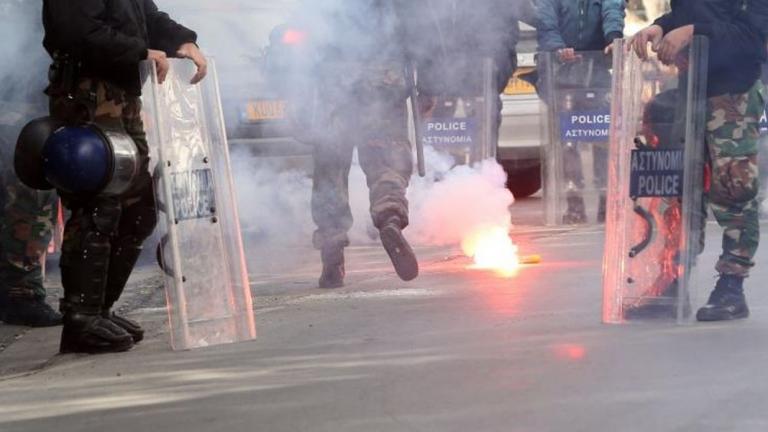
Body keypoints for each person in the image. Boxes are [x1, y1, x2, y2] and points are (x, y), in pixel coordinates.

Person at [41, 0, 207, 352]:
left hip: (124, 96)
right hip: (89, 95)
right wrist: (141, 50)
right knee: (98, 205)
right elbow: (79, 32)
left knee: (138, 206)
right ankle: (81, 319)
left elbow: (146, 16)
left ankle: (101, 309)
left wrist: (182, 41)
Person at [630, 0, 768, 321]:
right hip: (691, 91)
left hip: (733, 94)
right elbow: (690, 14)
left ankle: (731, 287)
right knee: (682, 194)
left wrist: (693, 32)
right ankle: (673, 283)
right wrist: (661, 27)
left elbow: (754, 36)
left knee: (734, 189)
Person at [293, 0, 419, 289]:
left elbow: (306, 21)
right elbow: (420, 20)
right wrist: (433, 84)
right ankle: (390, 218)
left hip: (334, 79)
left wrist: (293, 89)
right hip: (385, 76)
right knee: (387, 160)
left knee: (331, 167)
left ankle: (332, 252)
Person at [402, 0, 534, 164]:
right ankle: (435, 181)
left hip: (482, 75)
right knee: (435, 146)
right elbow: (403, 21)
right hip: (436, 78)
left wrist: (500, 60)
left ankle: (482, 181)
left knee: (482, 143)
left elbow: (537, 16)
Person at [536, 0, 626, 223]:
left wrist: (613, 38)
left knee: (604, 141)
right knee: (568, 144)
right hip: (562, 74)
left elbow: (612, 9)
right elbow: (546, 21)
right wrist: (557, 48)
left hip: (597, 72)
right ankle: (574, 205)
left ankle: (607, 203)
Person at [0, 0, 61, 327]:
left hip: (26, 102)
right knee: (29, 196)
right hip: (20, 108)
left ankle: (18, 292)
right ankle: (20, 294)